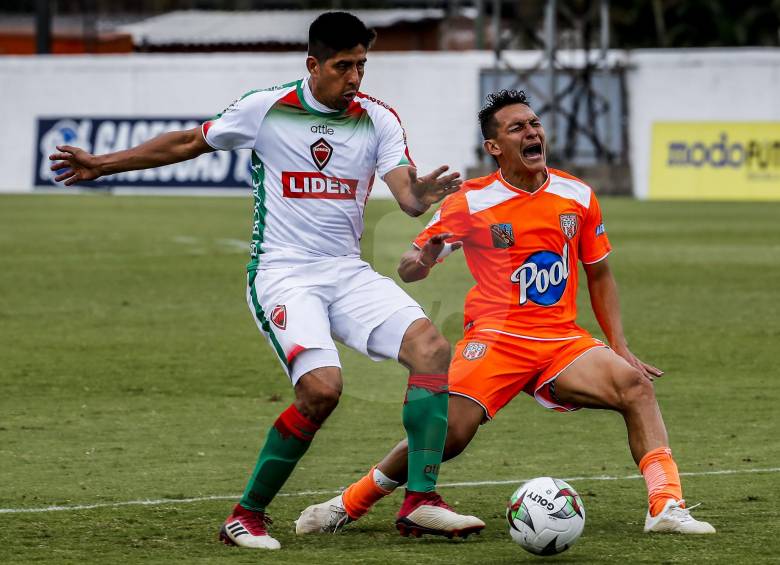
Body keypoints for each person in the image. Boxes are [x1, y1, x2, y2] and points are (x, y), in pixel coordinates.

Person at [48, 11, 485, 550]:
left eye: (362, 65)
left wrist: (422, 195)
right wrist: (103, 165)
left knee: (431, 350)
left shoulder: (379, 118)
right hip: (283, 273)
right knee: (321, 391)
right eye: (343, 66)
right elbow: (186, 143)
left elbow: (407, 196)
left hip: (346, 271)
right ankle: (245, 517)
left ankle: (420, 501)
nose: (354, 77)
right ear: (313, 64)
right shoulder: (267, 108)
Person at [295, 89, 716, 536]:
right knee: (448, 434)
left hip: (560, 340)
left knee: (635, 387)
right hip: (495, 340)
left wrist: (619, 346)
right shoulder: (471, 201)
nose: (532, 132)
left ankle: (666, 505)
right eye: (517, 128)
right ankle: (348, 503)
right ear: (494, 147)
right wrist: (425, 257)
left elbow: (599, 274)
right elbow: (409, 267)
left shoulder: (577, 195)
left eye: (534, 124)